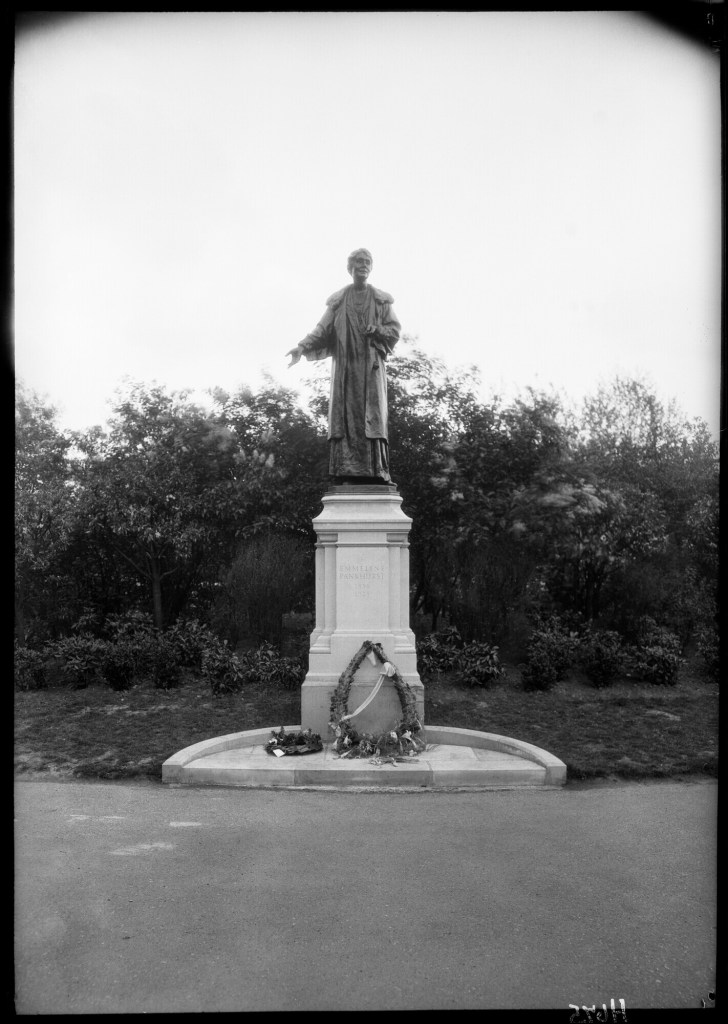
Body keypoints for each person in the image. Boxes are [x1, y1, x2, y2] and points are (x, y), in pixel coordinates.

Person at [287, 248, 400, 483]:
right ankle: (346, 471)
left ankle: (376, 471)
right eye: (359, 261)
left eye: (367, 261)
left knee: (373, 416)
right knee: (346, 418)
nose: (363, 265)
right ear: (350, 267)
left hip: (370, 369)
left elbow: (395, 329)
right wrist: (302, 346)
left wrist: (378, 329)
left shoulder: (381, 300)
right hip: (347, 369)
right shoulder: (339, 301)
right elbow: (322, 329)